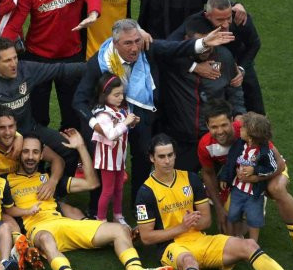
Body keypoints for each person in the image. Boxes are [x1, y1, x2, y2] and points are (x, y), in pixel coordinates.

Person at [135, 134, 293, 270]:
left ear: (175, 155)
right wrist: (182, 227)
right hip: (172, 247)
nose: (167, 161)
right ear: (152, 158)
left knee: (249, 245)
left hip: (201, 240)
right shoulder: (146, 192)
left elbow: (206, 221)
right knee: (189, 261)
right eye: (161, 157)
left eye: (170, 155)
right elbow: (147, 237)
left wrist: (193, 224)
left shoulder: (190, 179)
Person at [72, 18, 236, 210]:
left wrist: (204, 43)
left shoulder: (146, 48)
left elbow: (174, 49)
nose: (135, 48)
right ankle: (95, 211)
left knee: (142, 156)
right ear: (115, 43)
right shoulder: (99, 64)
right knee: (104, 165)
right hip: (108, 121)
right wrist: (97, 125)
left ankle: (139, 204)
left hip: (141, 114)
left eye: (136, 40)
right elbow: (79, 100)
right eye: (128, 43)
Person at [7, 132, 173, 270]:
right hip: (39, 229)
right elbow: (2, 213)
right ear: (19, 152)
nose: (30, 156)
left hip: (65, 224)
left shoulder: (51, 179)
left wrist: (81, 148)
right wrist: (17, 238)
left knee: (120, 229)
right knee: (45, 238)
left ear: (42, 154)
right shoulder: (7, 182)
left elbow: (91, 182)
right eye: (26, 151)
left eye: (35, 152)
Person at [197, 99, 293, 264]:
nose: (220, 131)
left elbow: (279, 164)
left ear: (232, 121)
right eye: (214, 127)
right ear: (207, 127)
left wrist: (256, 178)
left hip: (268, 170)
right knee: (233, 231)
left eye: (224, 125)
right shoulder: (205, 145)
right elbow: (208, 174)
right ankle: (256, 204)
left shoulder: (247, 130)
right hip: (242, 179)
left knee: (276, 189)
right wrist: (218, 208)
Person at [2, 0, 101, 130]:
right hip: (38, 59)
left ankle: (71, 159)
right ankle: (39, 156)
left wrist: (94, 13)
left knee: (73, 115)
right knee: (38, 116)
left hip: (71, 58)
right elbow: (15, 24)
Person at [0, 37, 83, 176]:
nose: (14, 64)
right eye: (7, 60)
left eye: (15, 58)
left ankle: (57, 189)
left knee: (70, 149)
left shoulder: (26, 69)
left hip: (30, 130)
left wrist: (99, 66)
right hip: (0, 137)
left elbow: (61, 70)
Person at [160, 15, 245, 172]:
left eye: (209, 43)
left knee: (229, 180)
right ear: (187, 40)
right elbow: (157, 50)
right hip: (183, 137)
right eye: (201, 44)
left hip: (217, 135)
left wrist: (239, 113)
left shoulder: (224, 56)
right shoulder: (174, 58)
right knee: (182, 185)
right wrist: (193, 66)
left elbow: (235, 89)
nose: (206, 49)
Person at [169, 0, 264, 114]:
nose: (225, 24)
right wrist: (195, 67)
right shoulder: (194, 23)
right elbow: (170, 47)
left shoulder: (240, 17)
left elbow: (254, 44)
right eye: (219, 20)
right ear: (207, 15)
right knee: (216, 106)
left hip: (240, 63)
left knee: (256, 109)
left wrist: (241, 69)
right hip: (212, 65)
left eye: (228, 18)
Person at [218, 113, 275, 242]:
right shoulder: (239, 145)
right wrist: (224, 177)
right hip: (237, 189)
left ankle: (253, 245)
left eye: (243, 128)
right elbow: (230, 161)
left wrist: (255, 170)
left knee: (254, 218)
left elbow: (271, 168)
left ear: (251, 136)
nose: (240, 130)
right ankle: (238, 237)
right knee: (233, 214)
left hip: (254, 193)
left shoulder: (265, 152)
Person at [90, 73, 139, 224]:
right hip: (107, 160)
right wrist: (126, 123)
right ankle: (101, 220)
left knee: (119, 189)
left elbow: (122, 128)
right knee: (108, 191)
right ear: (104, 95)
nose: (120, 98)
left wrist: (132, 122)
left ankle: (118, 216)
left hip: (119, 158)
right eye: (116, 95)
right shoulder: (103, 115)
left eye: (122, 94)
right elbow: (111, 134)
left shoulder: (120, 111)